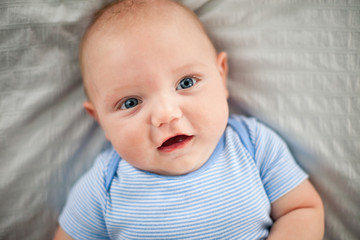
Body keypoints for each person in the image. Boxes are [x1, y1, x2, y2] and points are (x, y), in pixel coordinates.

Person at [54, 0, 324, 239]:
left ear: (221, 76)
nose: (166, 115)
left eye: (185, 83)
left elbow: (301, 209)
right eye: (131, 103)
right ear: (100, 120)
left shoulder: (252, 145)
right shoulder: (104, 185)